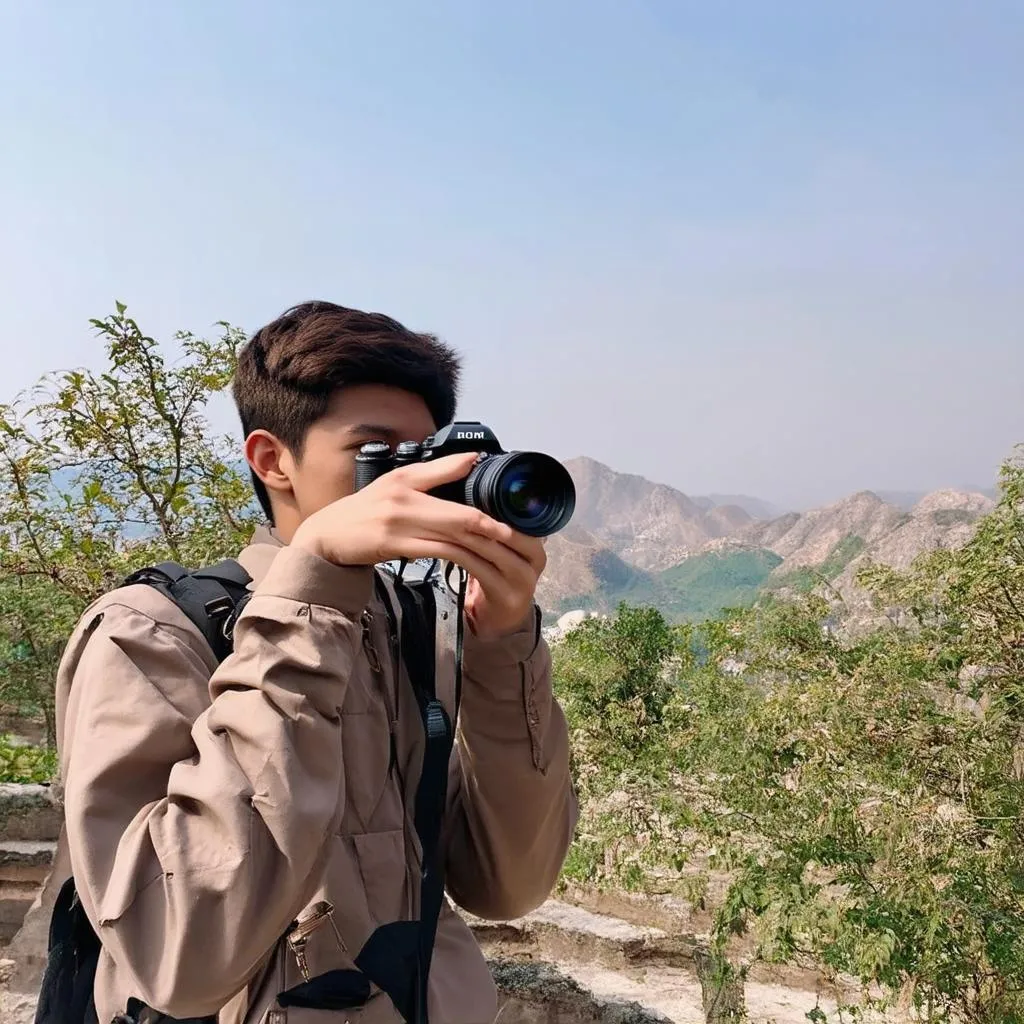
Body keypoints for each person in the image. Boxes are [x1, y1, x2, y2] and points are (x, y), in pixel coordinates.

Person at [53, 301, 577, 1024]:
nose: (414, 485)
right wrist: (314, 586)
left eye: (429, 457)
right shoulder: (148, 635)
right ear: (272, 460)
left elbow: (507, 884)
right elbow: (182, 957)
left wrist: (503, 647)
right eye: (379, 453)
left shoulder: (406, 626)